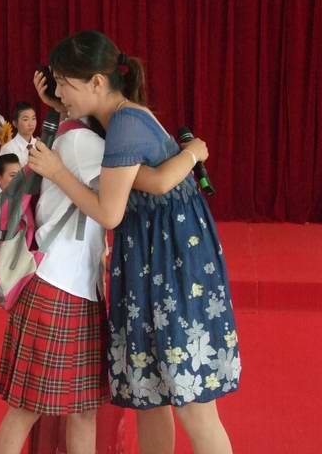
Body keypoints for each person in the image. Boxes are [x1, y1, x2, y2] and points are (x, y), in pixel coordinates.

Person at [28, 30, 239, 454]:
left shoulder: (125, 123)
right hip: (151, 257)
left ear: (96, 82)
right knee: (151, 391)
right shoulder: (114, 119)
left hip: (172, 264)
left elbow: (109, 213)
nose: (59, 92)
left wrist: (57, 172)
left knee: (193, 403)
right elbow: (149, 179)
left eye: (64, 83)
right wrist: (59, 106)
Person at [0, 102, 38, 167]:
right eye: (25, 119)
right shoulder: (8, 149)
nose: (31, 124)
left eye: (33, 119)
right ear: (15, 123)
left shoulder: (39, 145)